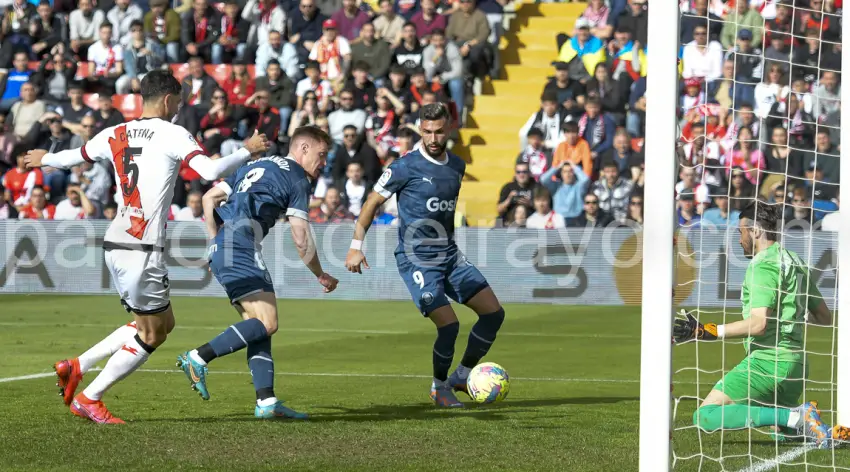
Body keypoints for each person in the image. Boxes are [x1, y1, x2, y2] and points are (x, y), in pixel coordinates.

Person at [26, 70, 270, 424]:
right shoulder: (173, 133)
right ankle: (90, 398)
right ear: (169, 100)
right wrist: (246, 151)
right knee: (152, 332)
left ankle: (77, 365)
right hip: (141, 248)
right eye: (179, 100)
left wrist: (43, 159)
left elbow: (73, 156)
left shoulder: (115, 132)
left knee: (162, 321)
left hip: (117, 240)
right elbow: (209, 171)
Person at [345, 103, 506, 408]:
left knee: (494, 314)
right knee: (449, 325)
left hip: (450, 256)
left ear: (449, 130)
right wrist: (356, 245)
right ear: (420, 129)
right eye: (427, 131)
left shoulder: (457, 166)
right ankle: (439, 387)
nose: (433, 138)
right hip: (416, 259)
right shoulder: (403, 167)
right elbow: (371, 202)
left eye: (439, 131)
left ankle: (462, 374)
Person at [176, 126, 338, 419]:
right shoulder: (297, 178)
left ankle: (266, 402)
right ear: (303, 149)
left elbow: (210, 199)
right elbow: (300, 238)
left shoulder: (255, 164)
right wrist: (320, 274)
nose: (323, 163)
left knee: (258, 326)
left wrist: (214, 242)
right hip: (241, 246)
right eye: (321, 154)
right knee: (268, 322)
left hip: (226, 245)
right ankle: (198, 356)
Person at [672, 202, 849, 448]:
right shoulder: (795, 260)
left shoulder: (763, 265)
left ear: (755, 231)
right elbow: (824, 317)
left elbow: (758, 325)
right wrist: (789, 316)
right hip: (797, 367)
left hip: (767, 364)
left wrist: (708, 331)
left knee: (705, 416)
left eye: (740, 231)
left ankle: (795, 415)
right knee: (782, 433)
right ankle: (800, 423)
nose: (739, 239)